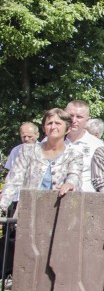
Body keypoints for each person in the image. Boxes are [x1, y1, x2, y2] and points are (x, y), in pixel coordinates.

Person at [0, 109, 82, 276]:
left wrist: (69, 184)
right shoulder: (28, 151)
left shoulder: (74, 153)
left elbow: (74, 175)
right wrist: (2, 206)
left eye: (58, 123)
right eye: (49, 123)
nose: (53, 127)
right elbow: (13, 181)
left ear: (67, 129)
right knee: (24, 264)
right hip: (28, 216)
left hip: (58, 217)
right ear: (44, 128)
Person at [64, 100, 104, 193]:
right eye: (71, 115)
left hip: (85, 200)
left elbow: (102, 178)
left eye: (79, 117)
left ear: (87, 120)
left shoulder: (97, 145)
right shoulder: (52, 140)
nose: (74, 120)